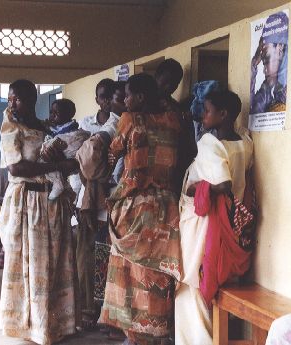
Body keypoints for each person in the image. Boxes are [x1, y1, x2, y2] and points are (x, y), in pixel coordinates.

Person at [99, 73, 182, 345]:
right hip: (167, 207)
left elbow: (113, 154)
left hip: (136, 206)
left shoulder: (130, 120)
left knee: (129, 272)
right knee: (156, 272)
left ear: (141, 98)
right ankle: (157, 332)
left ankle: (135, 336)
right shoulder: (173, 120)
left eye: (128, 95)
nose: (124, 100)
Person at [0, 79, 77, 345]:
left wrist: (64, 164)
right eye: (10, 99)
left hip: (51, 203)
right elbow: (16, 168)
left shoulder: (44, 127)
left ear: (32, 100)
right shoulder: (11, 127)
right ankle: (32, 327)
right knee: (30, 264)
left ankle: (54, 324)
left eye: (17, 99)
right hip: (27, 203)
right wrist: (57, 167)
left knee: (53, 263)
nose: (12, 104)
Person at [175, 90, 254, 345]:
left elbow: (222, 184)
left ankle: (199, 340)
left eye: (207, 111)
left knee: (192, 282)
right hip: (230, 222)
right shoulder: (245, 143)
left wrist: (193, 189)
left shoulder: (210, 143)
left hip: (205, 222)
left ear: (224, 115)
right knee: (207, 279)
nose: (202, 116)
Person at [75, 78, 120, 330]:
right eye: (102, 96)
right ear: (97, 99)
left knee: (105, 257)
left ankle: (102, 310)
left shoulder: (118, 123)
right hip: (89, 197)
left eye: (110, 97)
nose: (106, 101)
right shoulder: (85, 124)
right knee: (86, 257)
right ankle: (87, 309)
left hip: (110, 199)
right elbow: (80, 159)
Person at [155, 58, 197, 198]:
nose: (169, 87)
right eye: (165, 81)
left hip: (172, 169)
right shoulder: (145, 104)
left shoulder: (176, 107)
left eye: (174, 84)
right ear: (157, 77)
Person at [41, 98, 89, 200]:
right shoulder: (56, 127)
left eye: (56, 113)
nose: (52, 115)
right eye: (51, 112)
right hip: (62, 153)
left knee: (46, 155)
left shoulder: (70, 127)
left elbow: (68, 139)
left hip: (69, 149)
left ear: (68, 115)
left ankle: (58, 183)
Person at [250, 11, 288, 114]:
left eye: (266, 60)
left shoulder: (290, 89)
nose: (264, 70)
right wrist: (254, 63)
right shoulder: (268, 89)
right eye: (263, 62)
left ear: (280, 49)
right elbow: (252, 113)